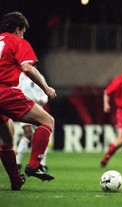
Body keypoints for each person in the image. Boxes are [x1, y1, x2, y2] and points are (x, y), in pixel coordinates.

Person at [0, 11, 57, 188]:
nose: (23, 34)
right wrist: (46, 88)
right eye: (23, 31)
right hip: (4, 91)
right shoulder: (17, 41)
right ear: (18, 29)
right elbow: (27, 68)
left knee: (7, 136)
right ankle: (34, 165)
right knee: (47, 120)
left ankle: (16, 181)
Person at [16, 72, 51, 173]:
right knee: (28, 133)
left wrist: (43, 99)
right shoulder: (19, 77)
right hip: (24, 107)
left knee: (43, 135)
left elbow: (44, 91)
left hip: (38, 108)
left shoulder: (39, 76)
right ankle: (17, 162)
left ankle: (42, 163)